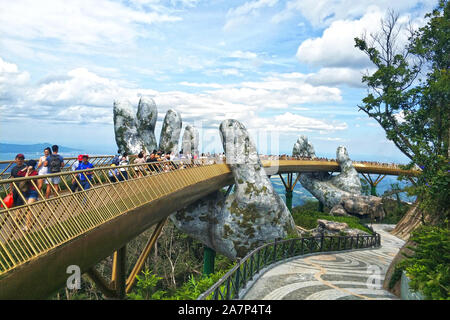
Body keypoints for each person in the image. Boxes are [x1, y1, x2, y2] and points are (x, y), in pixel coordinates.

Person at [16, 160, 39, 231]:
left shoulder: (35, 173)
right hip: (26, 192)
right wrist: (25, 169)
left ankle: (27, 225)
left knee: (28, 208)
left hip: (33, 192)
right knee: (27, 208)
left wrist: (28, 171)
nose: (26, 166)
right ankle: (29, 224)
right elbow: (18, 173)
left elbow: (26, 179)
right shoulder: (26, 171)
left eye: (28, 165)